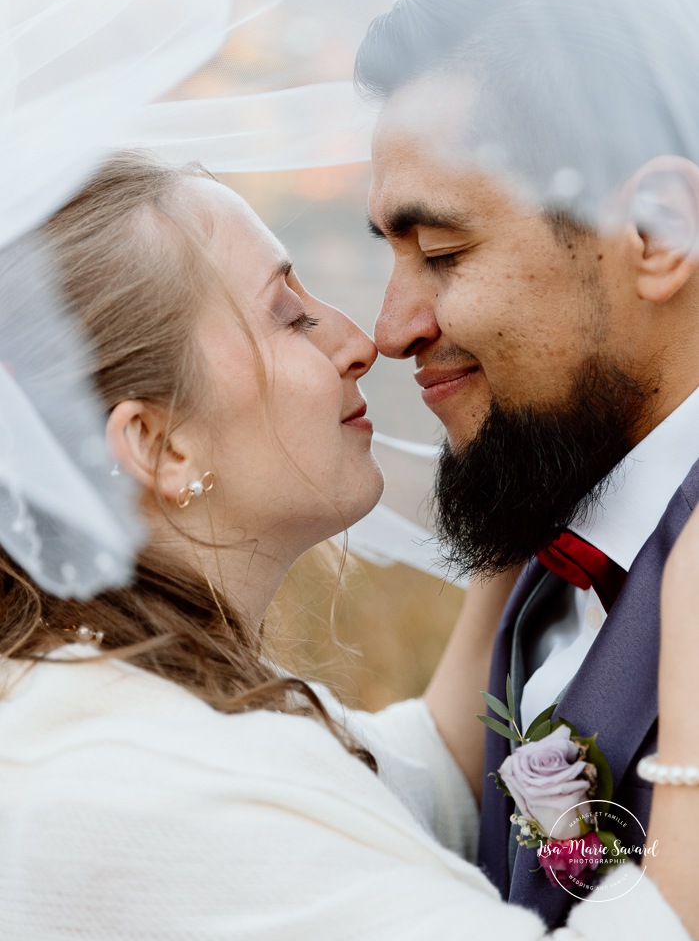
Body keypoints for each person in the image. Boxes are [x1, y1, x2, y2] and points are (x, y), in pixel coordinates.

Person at [0, 148, 696, 940]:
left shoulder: (88, 694)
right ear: (162, 446)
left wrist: (532, 449)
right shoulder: (143, 787)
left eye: (440, 256)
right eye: (289, 317)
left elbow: (407, 777)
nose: (363, 340)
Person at [354, 0, 699, 928]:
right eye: (391, 254)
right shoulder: (548, 536)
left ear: (659, 230)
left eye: (444, 253)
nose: (389, 330)